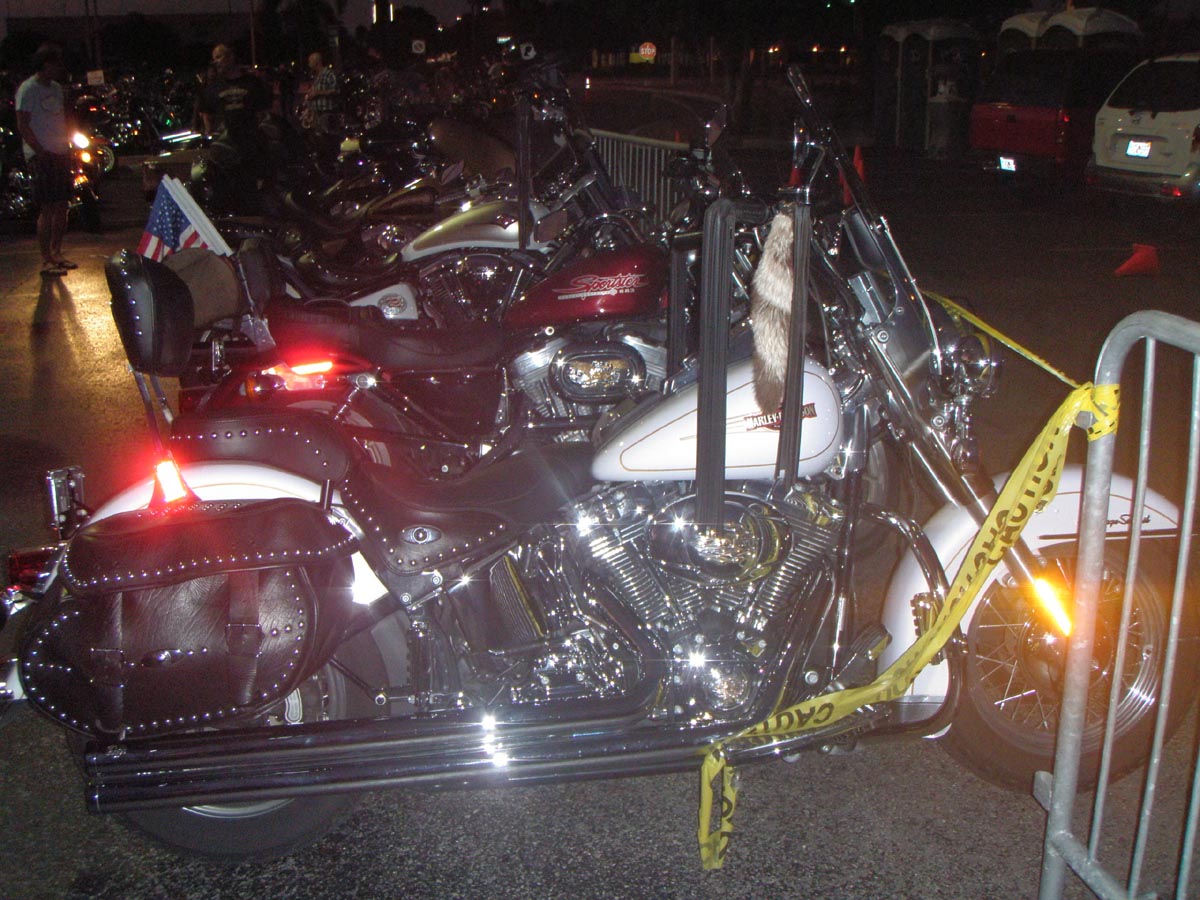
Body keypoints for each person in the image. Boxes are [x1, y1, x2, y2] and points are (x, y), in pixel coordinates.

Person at [15, 43, 75, 277]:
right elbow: (23, 124)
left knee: (62, 205)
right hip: (41, 155)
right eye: (55, 65)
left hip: (60, 152)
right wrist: (39, 151)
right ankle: (46, 258)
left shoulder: (57, 89)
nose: (58, 69)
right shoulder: (28, 89)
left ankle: (57, 252)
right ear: (45, 64)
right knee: (48, 207)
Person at [197, 44, 270, 187]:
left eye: (219, 57)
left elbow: (263, 113)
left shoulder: (252, 83)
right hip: (225, 149)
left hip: (249, 149)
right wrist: (210, 132)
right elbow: (205, 112)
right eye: (214, 59)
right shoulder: (213, 87)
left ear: (231, 57)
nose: (216, 62)